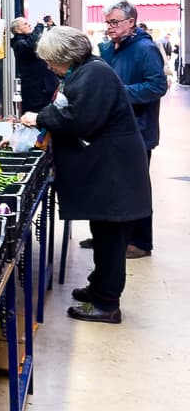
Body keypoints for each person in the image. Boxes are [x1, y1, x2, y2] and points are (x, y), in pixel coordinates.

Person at [20, 27, 150, 323]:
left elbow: (80, 120)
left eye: (51, 61)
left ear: (65, 56)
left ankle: (107, 304)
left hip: (115, 173)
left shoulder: (96, 74)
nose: (49, 67)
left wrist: (39, 118)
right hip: (107, 169)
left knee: (112, 239)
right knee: (103, 234)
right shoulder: (86, 71)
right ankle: (97, 288)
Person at [77, 1, 166, 258]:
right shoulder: (111, 48)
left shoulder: (145, 49)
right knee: (111, 185)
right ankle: (109, 237)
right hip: (112, 128)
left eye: (114, 22)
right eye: (107, 23)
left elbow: (157, 86)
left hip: (138, 130)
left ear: (131, 22)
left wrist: (120, 93)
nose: (110, 27)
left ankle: (140, 242)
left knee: (135, 189)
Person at [10, 15, 59, 114]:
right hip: (36, 92)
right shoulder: (19, 43)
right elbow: (31, 45)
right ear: (18, 30)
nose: (29, 25)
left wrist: (51, 26)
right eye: (25, 24)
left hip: (46, 87)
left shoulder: (31, 39)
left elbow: (55, 39)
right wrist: (39, 25)